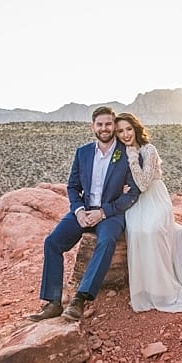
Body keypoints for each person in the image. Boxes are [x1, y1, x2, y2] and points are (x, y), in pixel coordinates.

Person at [28, 106, 140, 322]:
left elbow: (132, 194)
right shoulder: (83, 152)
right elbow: (72, 186)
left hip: (110, 213)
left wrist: (103, 212)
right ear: (93, 127)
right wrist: (78, 211)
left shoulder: (127, 155)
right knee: (52, 242)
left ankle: (80, 299)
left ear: (114, 127)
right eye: (100, 124)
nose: (104, 128)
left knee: (106, 241)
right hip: (83, 211)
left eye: (108, 124)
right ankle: (52, 302)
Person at [114, 112, 182, 313]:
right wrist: (118, 188)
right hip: (135, 202)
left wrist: (132, 159)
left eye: (128, 129)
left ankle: (165, 290)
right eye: (120, 131)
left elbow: (144, 183)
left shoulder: (149, 150)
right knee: (137, 232)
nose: (125, 134)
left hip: (155, 198)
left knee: (152, 231)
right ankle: (146, 290)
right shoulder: (118, 152)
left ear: (136, 128)